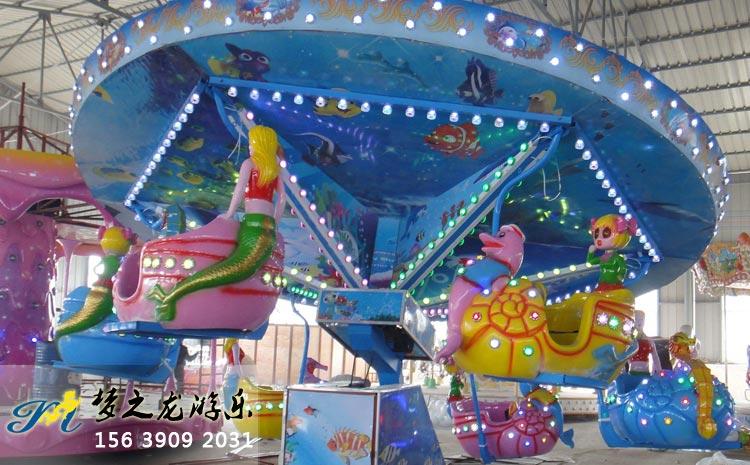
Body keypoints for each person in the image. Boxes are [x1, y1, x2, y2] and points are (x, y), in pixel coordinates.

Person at [148, 125, 285, 321]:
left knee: (238, 268)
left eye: (252, 143)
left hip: (253, 227)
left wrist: (230, 213)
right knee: (241, 268)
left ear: (259, 144)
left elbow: (239, 192)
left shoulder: (250, 163)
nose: (250, 147)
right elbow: (282, 200)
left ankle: (171, 296)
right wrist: (275, 223)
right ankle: (172, 296)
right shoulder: (275, 170)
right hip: (267, 230)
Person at [587, 214, 637, 291]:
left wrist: (621, 275)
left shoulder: (617, 258)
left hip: (614, 284)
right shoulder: (603, 258)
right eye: (596, 234)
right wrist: (590, 253)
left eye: (606, 233)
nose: (599, 238)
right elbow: (590, 262)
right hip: (602, 283)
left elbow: (623, 267)